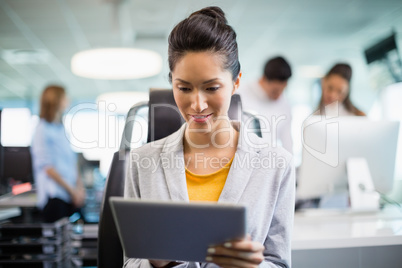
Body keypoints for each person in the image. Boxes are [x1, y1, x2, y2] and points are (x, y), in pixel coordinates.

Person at [124, 6, 295, 268]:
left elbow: (279, 263)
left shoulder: (277, 165)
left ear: (236, 82)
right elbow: (130, 262)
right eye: (184, 88)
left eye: (211, 87)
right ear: (171, 83)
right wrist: (156, 263)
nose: (198, 104)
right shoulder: (140, 163)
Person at [31, 85, 86, 223]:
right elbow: (48, 168)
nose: (68, 100)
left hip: (70, 195)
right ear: (55, 100)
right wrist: (72, 191)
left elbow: (72, 161)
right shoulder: (42, 129)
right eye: (64, 97)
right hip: (55, 196)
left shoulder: (61, 128)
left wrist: (80, 187)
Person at [237, 56, 293, 153]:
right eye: (275, 91)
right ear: (263, 79)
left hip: (267, 161)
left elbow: (287, 141)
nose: (279, 96)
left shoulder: (284, 104)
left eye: (282, 90)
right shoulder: (240, 94)